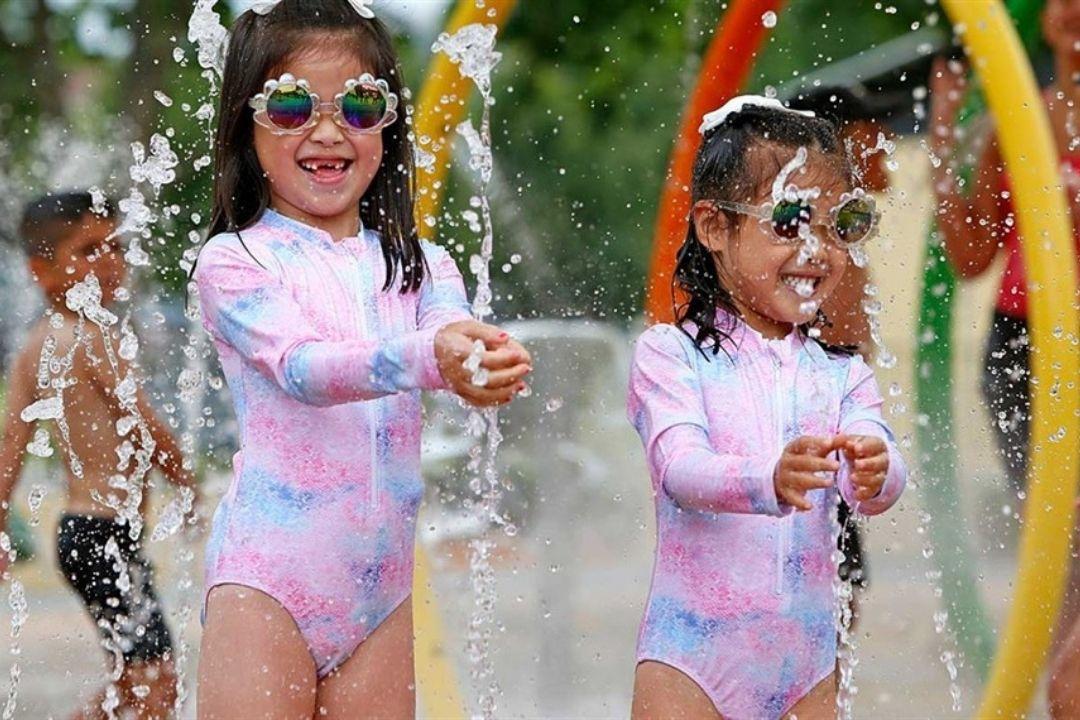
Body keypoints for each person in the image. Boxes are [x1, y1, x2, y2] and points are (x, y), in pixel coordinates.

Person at [191, 1, 533, 717]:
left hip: (378, 594)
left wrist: (478, 364)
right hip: (269, 581)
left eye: (359, 104)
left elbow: (450, 336)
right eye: (288, 105)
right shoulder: (237, 261)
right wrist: (432, 355)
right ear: (244, 125)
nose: (327, 130)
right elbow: (305, 368)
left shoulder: (423, 263)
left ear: (388, 121)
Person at [627, 97, 907, 719]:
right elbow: (680, 469)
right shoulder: (671, 355)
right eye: (789, 219)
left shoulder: (842, 373)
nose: (818, 249)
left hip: (805, 666)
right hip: (692, 659)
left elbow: (882, 480)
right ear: (716, 228)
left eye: (840, 224)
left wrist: (875, 468)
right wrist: (768, 478)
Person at [929, 1, 1080, 714]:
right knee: (1061, 544)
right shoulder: (1014, 125)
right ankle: (1061, 685)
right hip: (1027, 351)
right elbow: (968, 258)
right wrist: (940, 140)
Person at [0, 191, 197, 719]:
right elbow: (146, 422)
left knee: (132, 684)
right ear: (42, 271)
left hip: (84, 534)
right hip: (102, 534)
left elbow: (8, 450)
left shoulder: (34, 346)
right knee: (158, 684)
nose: (109, 261)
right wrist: (187, 481)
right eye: (88, 250)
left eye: (115, 246)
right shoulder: (93, 338)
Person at [787, 85, 895, 619]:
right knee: (831, 591)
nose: (887, 146)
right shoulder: (814, 236)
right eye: (875, 136)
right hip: (816, 416)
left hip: (833, 411)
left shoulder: (832, 229)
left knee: (838, 588)